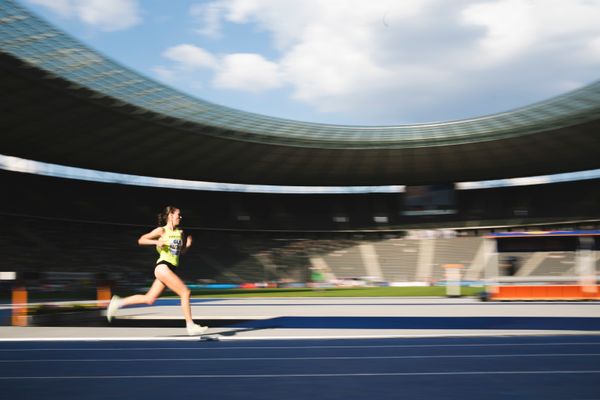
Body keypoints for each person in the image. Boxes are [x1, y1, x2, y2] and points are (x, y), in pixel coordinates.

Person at [106, 206, 208, 336]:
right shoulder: (161, 230)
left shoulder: (180, 233)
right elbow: (141, 240)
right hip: (162, 267)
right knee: (185, 292)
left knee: (149, 299)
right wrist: (156, 243)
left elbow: (179, 252)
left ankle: (118, 302)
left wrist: (187, 245)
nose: (180, 217)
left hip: (170, 268)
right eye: (178, 215)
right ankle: (190, 325)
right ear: (170, 215)